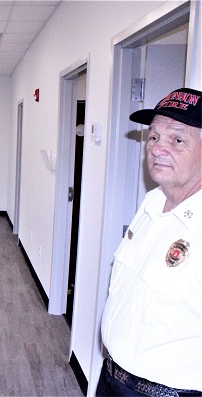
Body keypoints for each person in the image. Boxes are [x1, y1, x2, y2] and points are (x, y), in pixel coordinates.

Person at [96, 87, 202, 397]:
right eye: (153, 137)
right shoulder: (152, 202)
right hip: (112, 378)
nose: (157, 148)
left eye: (177, 139)